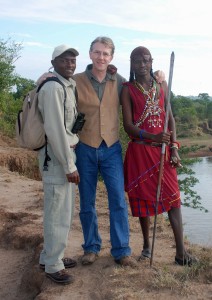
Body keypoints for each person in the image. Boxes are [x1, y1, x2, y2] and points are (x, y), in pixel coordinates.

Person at [121, 46, 197, 266]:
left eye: (145, 60)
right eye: (137, 61)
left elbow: (170, 119)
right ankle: (146, 246)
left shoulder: (162, 85)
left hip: (164, 152)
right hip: (140, 151)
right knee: (143, 202)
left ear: (151, 61)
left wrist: (174, 147)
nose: (142, 65)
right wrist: (152, 137)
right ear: (132, 63)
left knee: (174, 200)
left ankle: (181, 253)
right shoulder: (127, 89)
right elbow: (128, 126)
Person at [73, 36, 137, 267]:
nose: (101, 57)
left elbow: (141, 85)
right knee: (87, 200)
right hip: (84, 147)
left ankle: (121, 250)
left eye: (106, 54)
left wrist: (158, 75)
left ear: (111, 57)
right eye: (97, 52)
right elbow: (56, 87)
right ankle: (91, 247)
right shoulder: (75, 80)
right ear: (90, 54)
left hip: (111, 148)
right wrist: (46, 75)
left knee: (118, 200)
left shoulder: (119, 81)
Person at [38, 44, 80, 284]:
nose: (70, 64)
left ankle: (50, 256)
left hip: (61, 155)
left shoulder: (65, 84)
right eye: (65, 60)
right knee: (57, 212)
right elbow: (55, 131)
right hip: (56, 158)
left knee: (60, 209)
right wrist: (69, 166)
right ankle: (53, 265)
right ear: (54, 62)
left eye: (73, 60)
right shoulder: (53, 88)